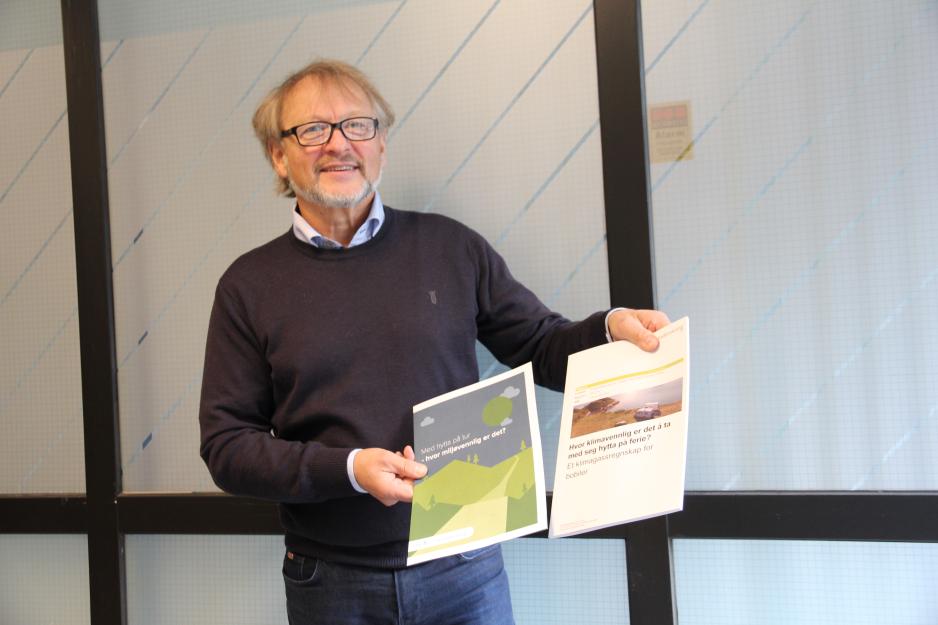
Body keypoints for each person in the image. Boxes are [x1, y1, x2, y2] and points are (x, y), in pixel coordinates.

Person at [198, 59, 669, 625]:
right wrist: (348, 469)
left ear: (381, 143)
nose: (339, 144)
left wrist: (610, 331)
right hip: (330, 580)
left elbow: (542, 344)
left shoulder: (451, 248)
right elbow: (228, 447)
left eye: (358, 125)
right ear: (279, 155)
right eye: (313, 130)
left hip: (465, 566)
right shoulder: (248, 286)